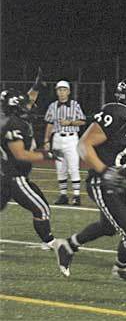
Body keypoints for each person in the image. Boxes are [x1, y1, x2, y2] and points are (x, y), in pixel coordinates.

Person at [54, 77, 126, 280]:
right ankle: (121, 268)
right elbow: (84, 145)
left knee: (107, 227)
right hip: (101, 181)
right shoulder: (115, 114)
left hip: (117, 183)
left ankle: (68, 245)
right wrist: (104, 171)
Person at [0, 68, 63, 250]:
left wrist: (36, 85)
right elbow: (21, 155)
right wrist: (47, 154)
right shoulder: (12, 124)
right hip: (14, 177)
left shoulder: (12, 117)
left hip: (9, 175)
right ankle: (50, 242)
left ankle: (47, 241)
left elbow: (29, 98)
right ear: (14, 107)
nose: (27, 106)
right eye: (21, 105)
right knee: (41, 209)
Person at [43, 80, 86, 206]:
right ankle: (63, 195)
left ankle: (76, 196)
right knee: (60, 168)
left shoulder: (75, 105)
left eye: (64, 90)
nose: (61, 93)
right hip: (57, 138)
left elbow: (83, 121)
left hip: (71, 137)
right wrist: (46, 140)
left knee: (73, 167)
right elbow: (49, 123)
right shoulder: (52, 106)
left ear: (68, 91)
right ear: (56, 92)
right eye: (59, 90)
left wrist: (70, 123)